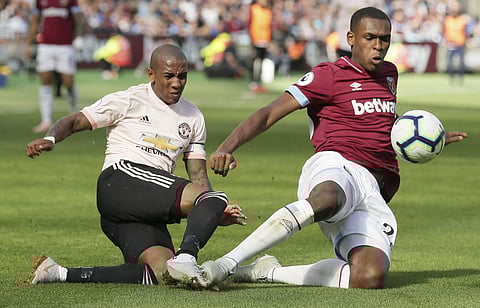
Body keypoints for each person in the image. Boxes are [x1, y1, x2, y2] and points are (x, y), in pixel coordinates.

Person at [200, 7, 468, 289]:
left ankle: (266, 271)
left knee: (369, 277)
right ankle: (224, 265)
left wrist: (431, 138)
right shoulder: (328, 75)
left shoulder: (389, 74)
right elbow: (268, 114)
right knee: (326, 198)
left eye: (385, 39)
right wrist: (226, 148)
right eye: (370, 38)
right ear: (351, 38)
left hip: (372, 188)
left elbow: (381, 120)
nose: (378, 46)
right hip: (336, 164)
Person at [25, 44, 246, 288]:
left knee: (164, 274)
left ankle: (58, 273)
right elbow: (77, 120)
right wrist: (50, 138)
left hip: (146, 204)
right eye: (169, 76)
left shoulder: (193, 117)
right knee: (213, 200)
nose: (177, 83)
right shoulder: (129, 100)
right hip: (120, 181)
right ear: (151, 74)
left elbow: (199, 178)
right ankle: (187, 257)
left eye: (182, 76)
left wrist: (210, 213)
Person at [25, 0, 86, 133]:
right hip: (45, 46)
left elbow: (78, 19)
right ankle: (46, 120)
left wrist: (79, 37)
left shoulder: (70, 1)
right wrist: (29, 43)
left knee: (68, 82)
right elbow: (35, 21)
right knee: (45, 81)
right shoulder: (40, 1)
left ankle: (74, 113)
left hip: (65, 46)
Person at [248, 0, 273, 93]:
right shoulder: (254, 9)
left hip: (264, 40)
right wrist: (251, 39)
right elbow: (250, 23)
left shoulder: (268, 11)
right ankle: (253, 81)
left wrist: (269, 39)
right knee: (254, 60)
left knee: (261, 61)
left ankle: (258, 82)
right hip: (255, 39)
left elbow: (269, 26)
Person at [443, 0, 469, 84]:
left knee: (461, 62)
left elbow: (465, 32)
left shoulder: (461, 20)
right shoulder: (447, 20)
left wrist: (466, 40)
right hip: (451, 44)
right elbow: (445, 31)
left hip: (459, 43)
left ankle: (461, 77)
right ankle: (451, 77)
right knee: (450, 62)